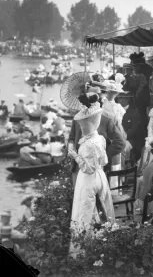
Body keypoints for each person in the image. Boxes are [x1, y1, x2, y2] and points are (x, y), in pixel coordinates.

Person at [68, 92, 115, 257]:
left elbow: (87, 168)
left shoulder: (88, 144)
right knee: (101, 208)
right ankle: (104, 243)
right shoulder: (100, 139)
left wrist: (74, 155)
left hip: (88, 179)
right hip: (100, 176)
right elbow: (104, 161)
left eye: (83, 126)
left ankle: (83, 251)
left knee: (85, 209)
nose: (81, 128)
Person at [68, 86, 126, 189]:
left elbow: (120, 143)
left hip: (98, 167)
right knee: (79, 196)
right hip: (78, 166)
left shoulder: (106, 119)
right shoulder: (77, 118)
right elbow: (72, 137)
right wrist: (71, 147)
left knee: (97, 198)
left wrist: (102, 155)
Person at [118, 90, 145, 167]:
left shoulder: (134, 112)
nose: (121, 100)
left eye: (124, 98)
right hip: (116, 138)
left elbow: (134, 129)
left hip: (130, 139)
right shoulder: (115, 110)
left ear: (128, 99)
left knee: (121, 149)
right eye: (120, 98)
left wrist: (122, 137)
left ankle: (122, 171)